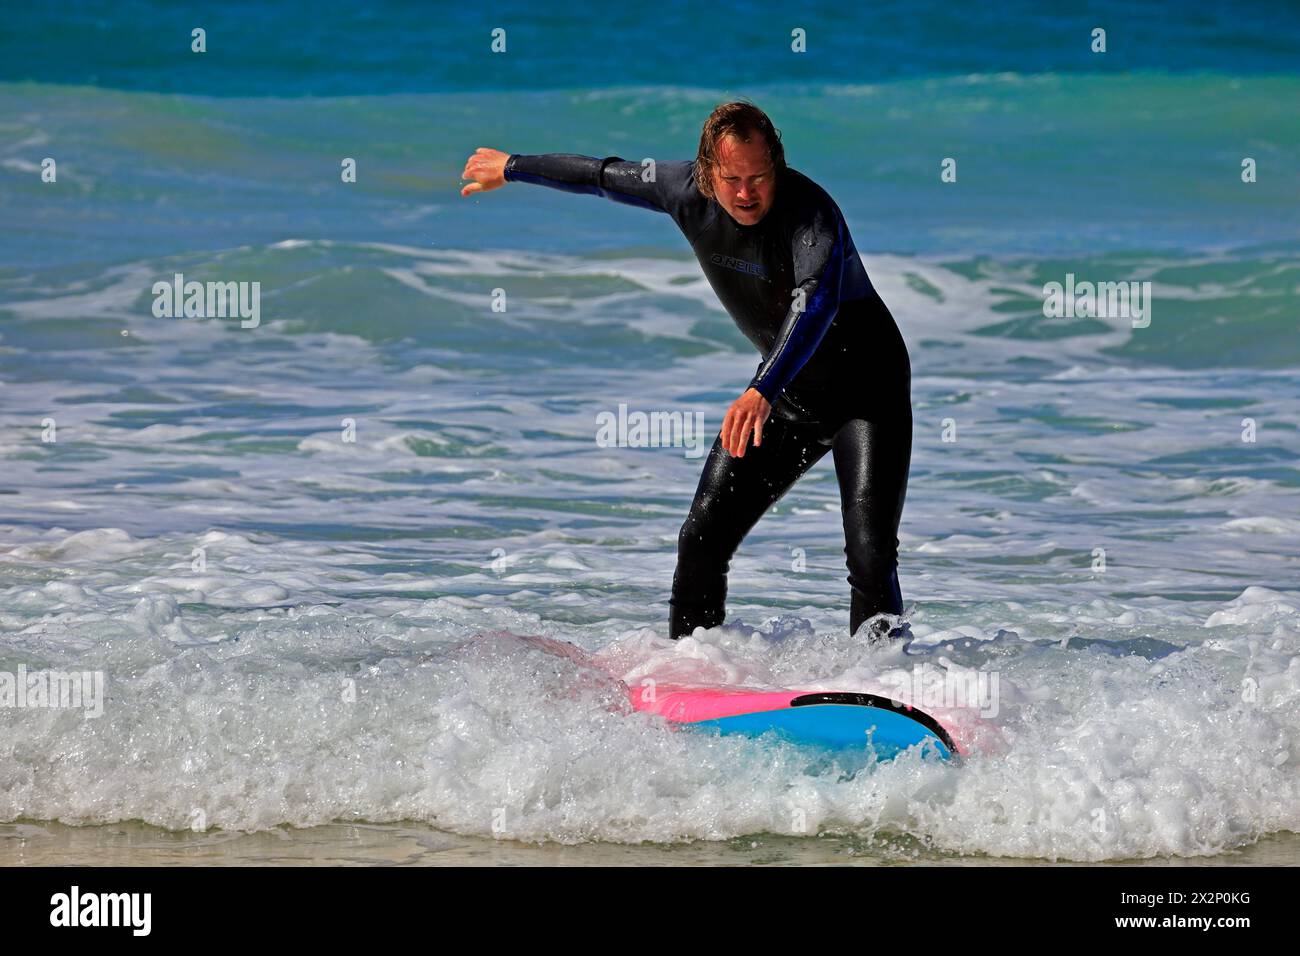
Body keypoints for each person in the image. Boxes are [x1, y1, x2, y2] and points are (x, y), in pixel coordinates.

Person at [459, 101, 912, 643]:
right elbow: (603, 176)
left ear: (779, 169)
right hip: (786, 396)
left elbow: (813, 303)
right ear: (705, 173)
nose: (746, 194)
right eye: (732, 179)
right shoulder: (682, 191)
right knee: (702, 538)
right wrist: (513, 166)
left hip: (867, 397)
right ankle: (692, 668)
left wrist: (761, 387)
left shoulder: (812, 215)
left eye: (760, 177)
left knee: (869, 554)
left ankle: (882, 683)